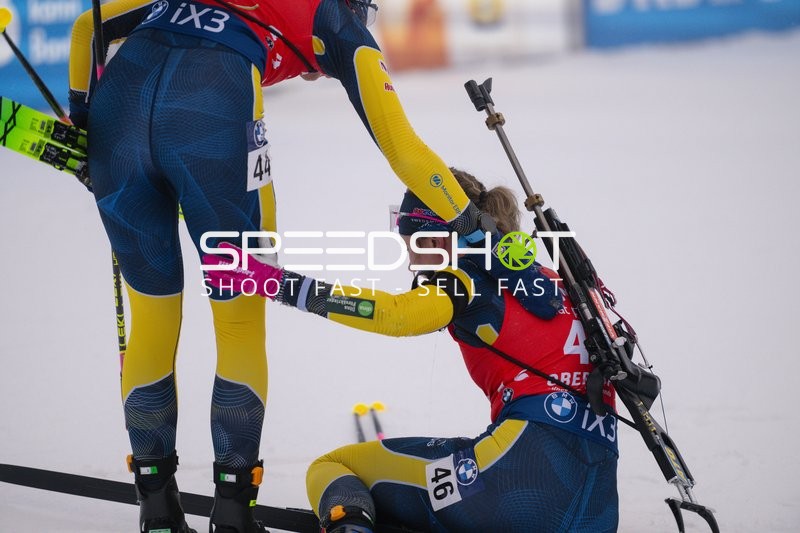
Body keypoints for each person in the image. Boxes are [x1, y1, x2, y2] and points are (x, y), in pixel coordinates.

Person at [68, 1, 560, 531]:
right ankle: (232, 514)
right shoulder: (334, 19)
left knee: (154, 319)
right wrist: (468, 221)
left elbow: (82, 31)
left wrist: (81, 118)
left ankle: (157, 512)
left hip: (118, 107)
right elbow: (404, 148)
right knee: (238, 322)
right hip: (212, 106)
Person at [204, 168, 619, 533]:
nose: (410, 261)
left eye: (413, 241)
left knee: (333, 466)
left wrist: (277, 282)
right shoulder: (554, 278)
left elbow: (394, 315)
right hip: (597, 507)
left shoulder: (465, 279)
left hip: (513, 485)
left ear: (443, 234)